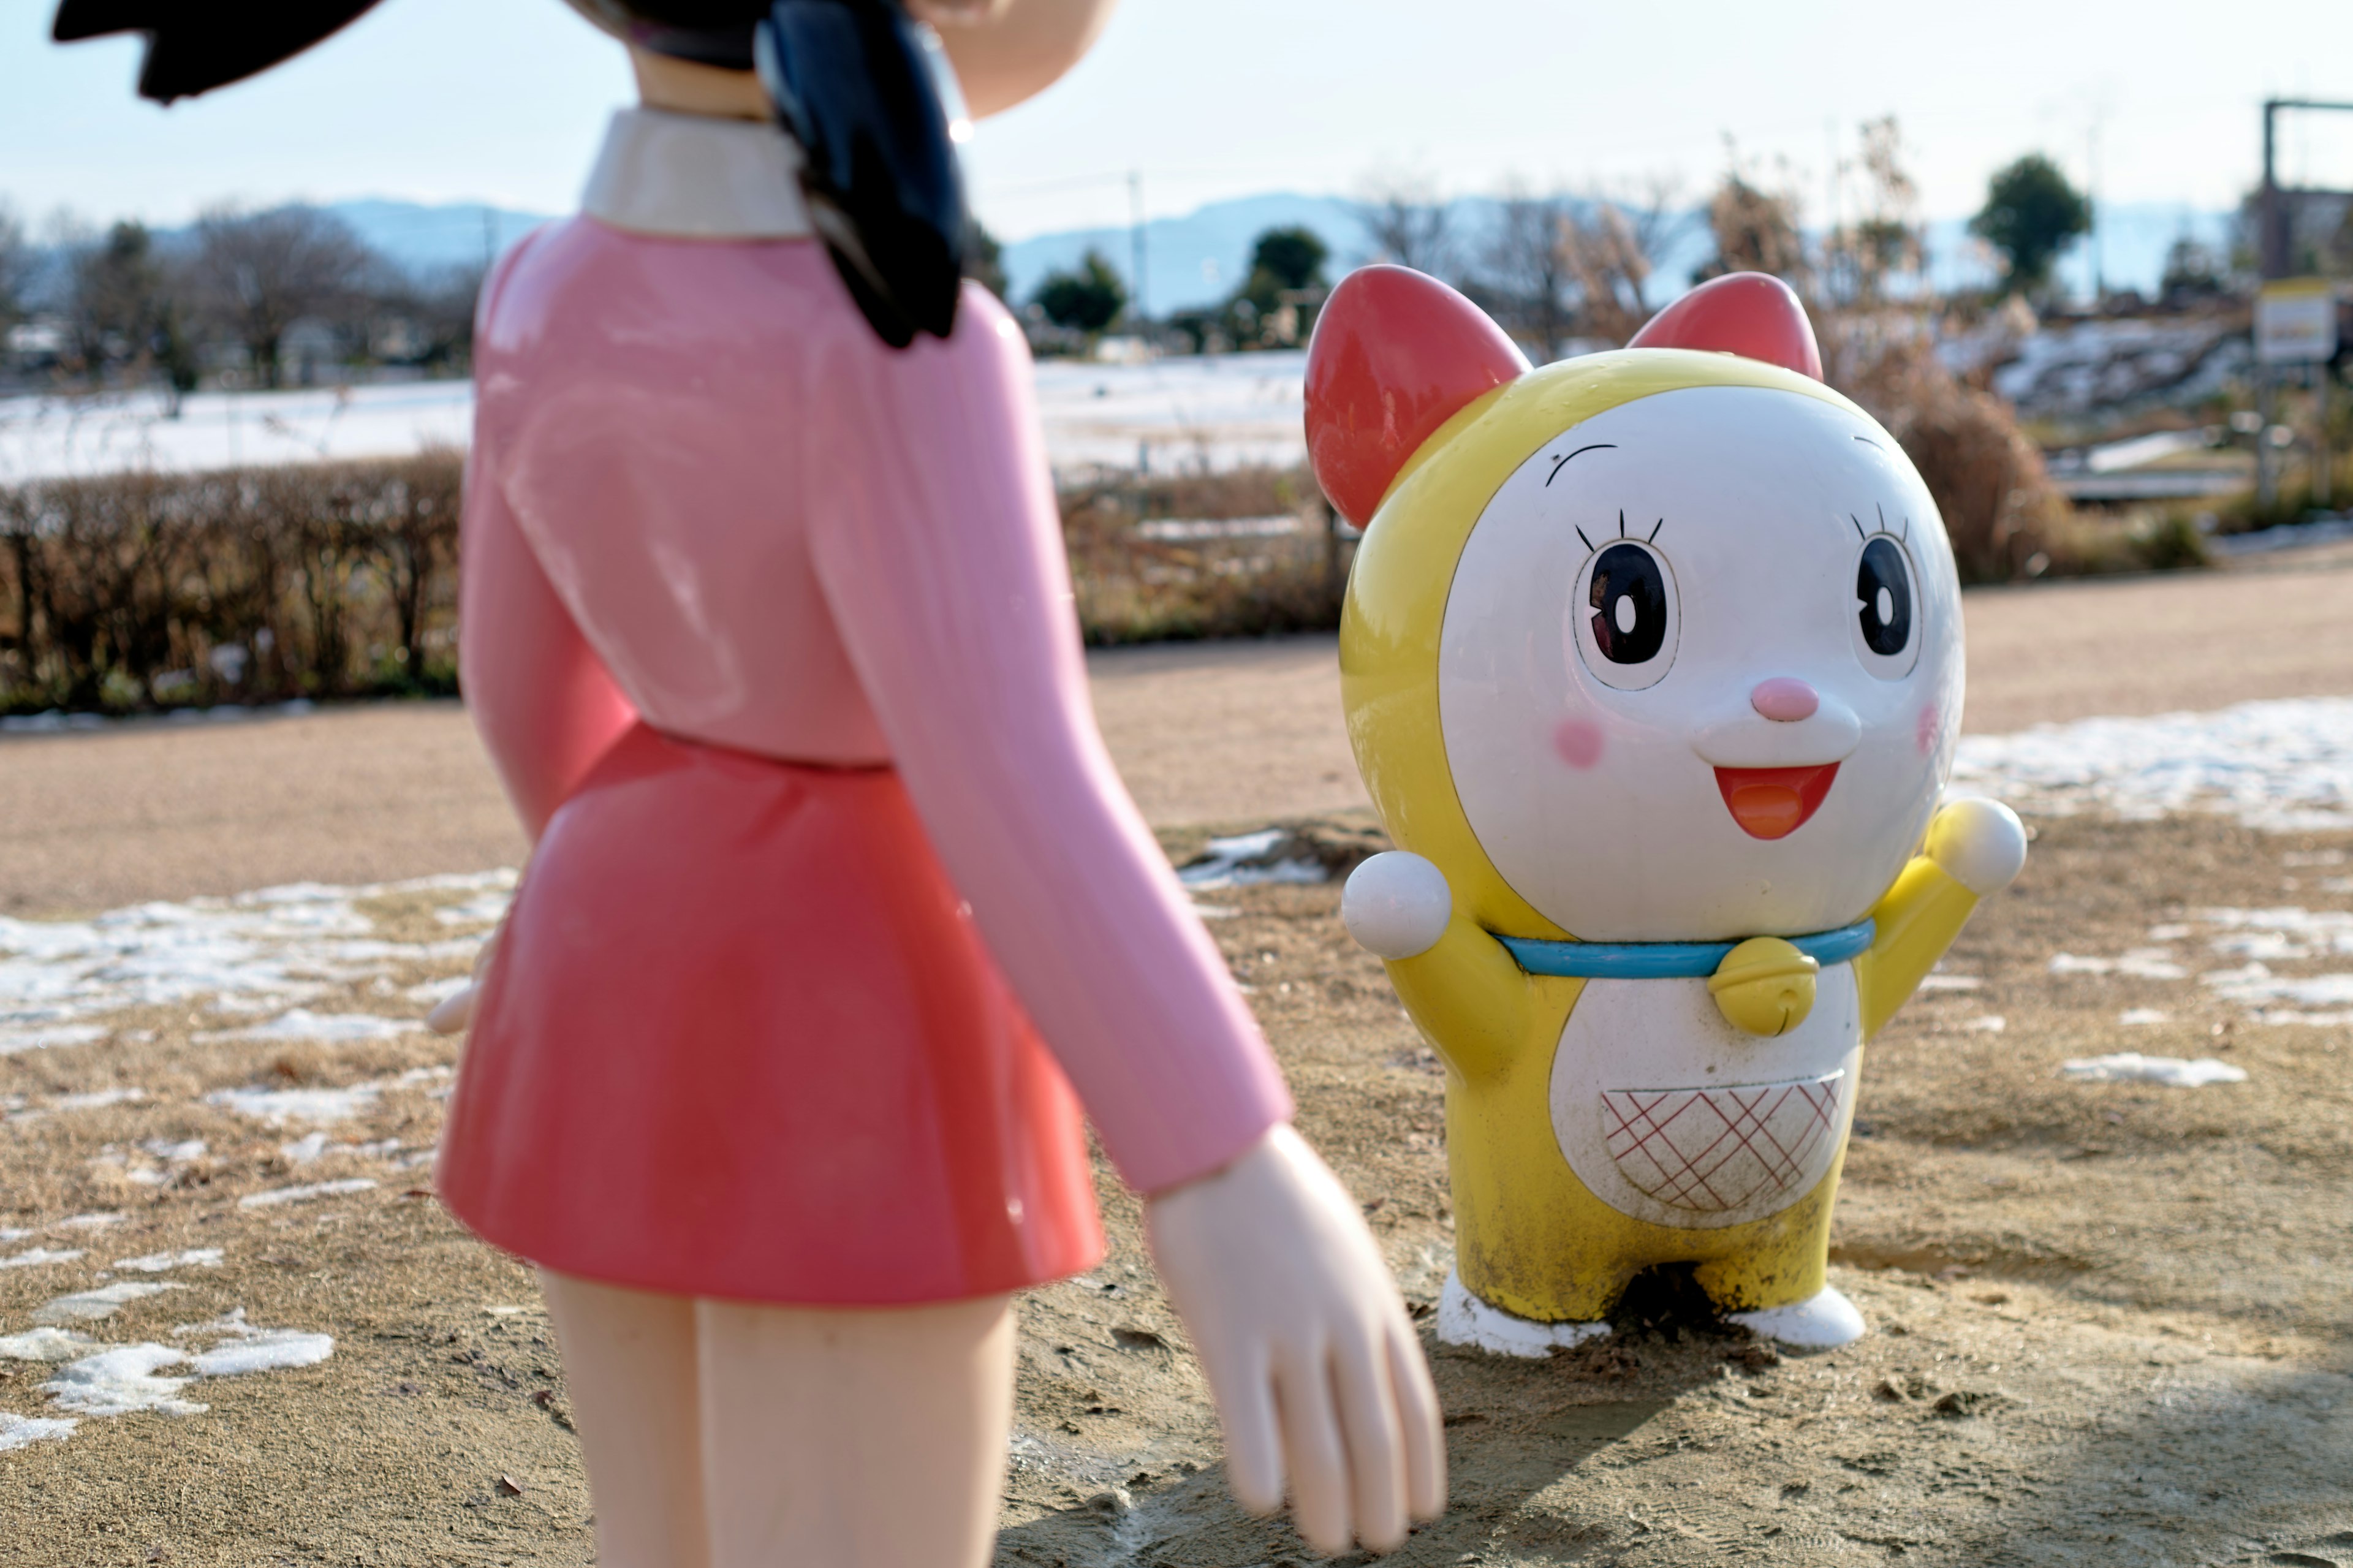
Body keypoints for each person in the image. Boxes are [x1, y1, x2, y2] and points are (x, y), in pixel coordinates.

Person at [55, 3, 1446, 1564]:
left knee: (659, 1538)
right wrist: (1218, 1154)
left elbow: (521, 690)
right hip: (859, 988)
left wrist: (574, 910)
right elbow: (1006, 767)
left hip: (603, 948)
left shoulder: (539, 284)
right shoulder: (898, 337)